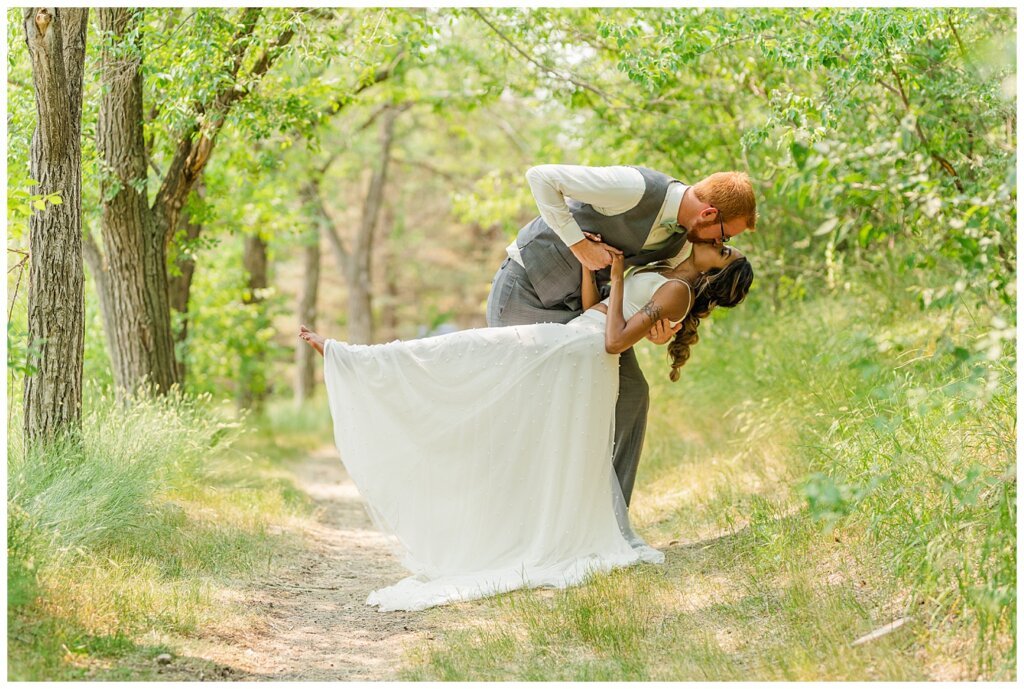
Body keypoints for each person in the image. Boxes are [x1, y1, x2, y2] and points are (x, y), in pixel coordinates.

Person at [299, 240, 753, 611]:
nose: (722, 243)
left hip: (583, 355)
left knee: (473, 351)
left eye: (727, 252)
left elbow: (615, 340)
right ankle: (357, 360)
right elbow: (599, 308)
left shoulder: (679, 292)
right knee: (477, 358)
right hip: (574, 342)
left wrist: (616, 276)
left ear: (717, 275)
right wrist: (586, 267)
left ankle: (356, 359)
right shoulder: (666, 271)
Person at [487, 164, 757, 507]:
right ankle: (517, 508)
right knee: (527, 408)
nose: (720, 242)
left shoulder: (680, 244)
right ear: (708, 213)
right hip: (529, 290)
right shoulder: (633, 188)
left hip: (589, 312)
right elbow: (540, 177)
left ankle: (606, 518)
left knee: (631, 396)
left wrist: (660, 332)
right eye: (724, 237)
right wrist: (579, 246)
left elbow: (646, 295)